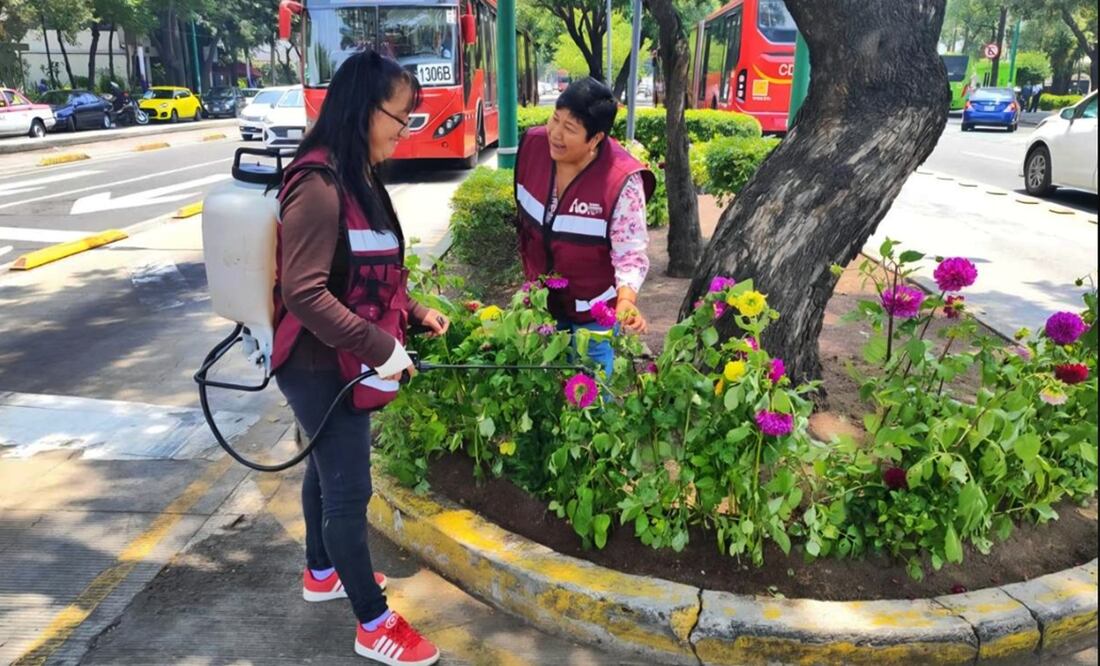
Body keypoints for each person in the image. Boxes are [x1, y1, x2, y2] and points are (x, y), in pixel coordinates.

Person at [271, 49, 445, 666]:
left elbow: (369, 270)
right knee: (349, 490)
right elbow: (305, 292)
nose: (404, 132)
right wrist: (383, 350)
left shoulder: (357, 176)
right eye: (400, 118)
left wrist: (415, 312)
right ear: (362, 110)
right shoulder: (318, 186)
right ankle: (373, 624)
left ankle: (322, 571)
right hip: (320, 365)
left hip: (342, 357)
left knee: (324, 469)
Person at [514, 77, 656, 379]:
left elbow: (629, 253)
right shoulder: (532, 147)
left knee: (590, 394)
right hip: (543, 305)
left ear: (595, 139)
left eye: (570, 129)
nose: (555, 133)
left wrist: (627, 301)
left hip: (594, 309)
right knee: (547, 386)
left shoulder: (621, 180)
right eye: (555, 119)